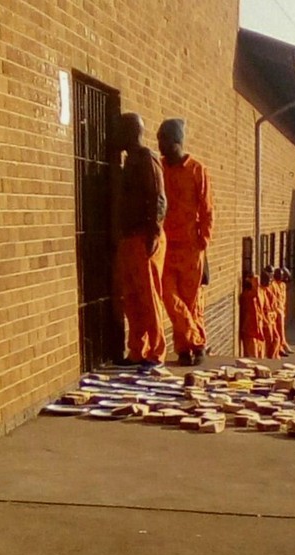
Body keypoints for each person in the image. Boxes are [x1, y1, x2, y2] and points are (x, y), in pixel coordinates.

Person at [157, 118, 214, 366]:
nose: (160, 146)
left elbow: (208, 209)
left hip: (191, 248)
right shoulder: (159, 168)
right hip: (166, 248)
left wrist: (203, 241)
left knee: (192, 303)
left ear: (176, 141)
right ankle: (197, 340)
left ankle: (184, 350)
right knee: (169, 298)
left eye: (164, 140)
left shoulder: (197, 170)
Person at [113, 113, 167, 368]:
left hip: (144, 237)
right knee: (131, 296)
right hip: (129, 237)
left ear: (131, 132)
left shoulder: (146, 159)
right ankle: (137, 350)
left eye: (120, 130)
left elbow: (158, 197)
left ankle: (155, 352)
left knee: (148, 296)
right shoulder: (130, 161)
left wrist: (154, 233)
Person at [239, 274, 265, 358]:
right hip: (249, 329)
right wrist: (255, 281)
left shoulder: (258, 296)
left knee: (258, 352)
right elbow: (255, 292)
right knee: (252, 355)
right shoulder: (247, 295)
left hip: (256, 329)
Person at [260, 268, 282, 359]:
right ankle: (270, 357)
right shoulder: (261, 291)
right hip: (267, 319)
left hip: (271, 317)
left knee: (276, 338)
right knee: (270, 339)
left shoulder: (267, 290)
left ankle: (273, 356)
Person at [272, 267, 293, 355]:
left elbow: (282, 299)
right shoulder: (273, 285)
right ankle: (281, 347)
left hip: (281, 310)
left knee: (281, 331)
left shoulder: (282, 285)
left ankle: (282, 345)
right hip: (276, 312)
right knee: (277, 333)